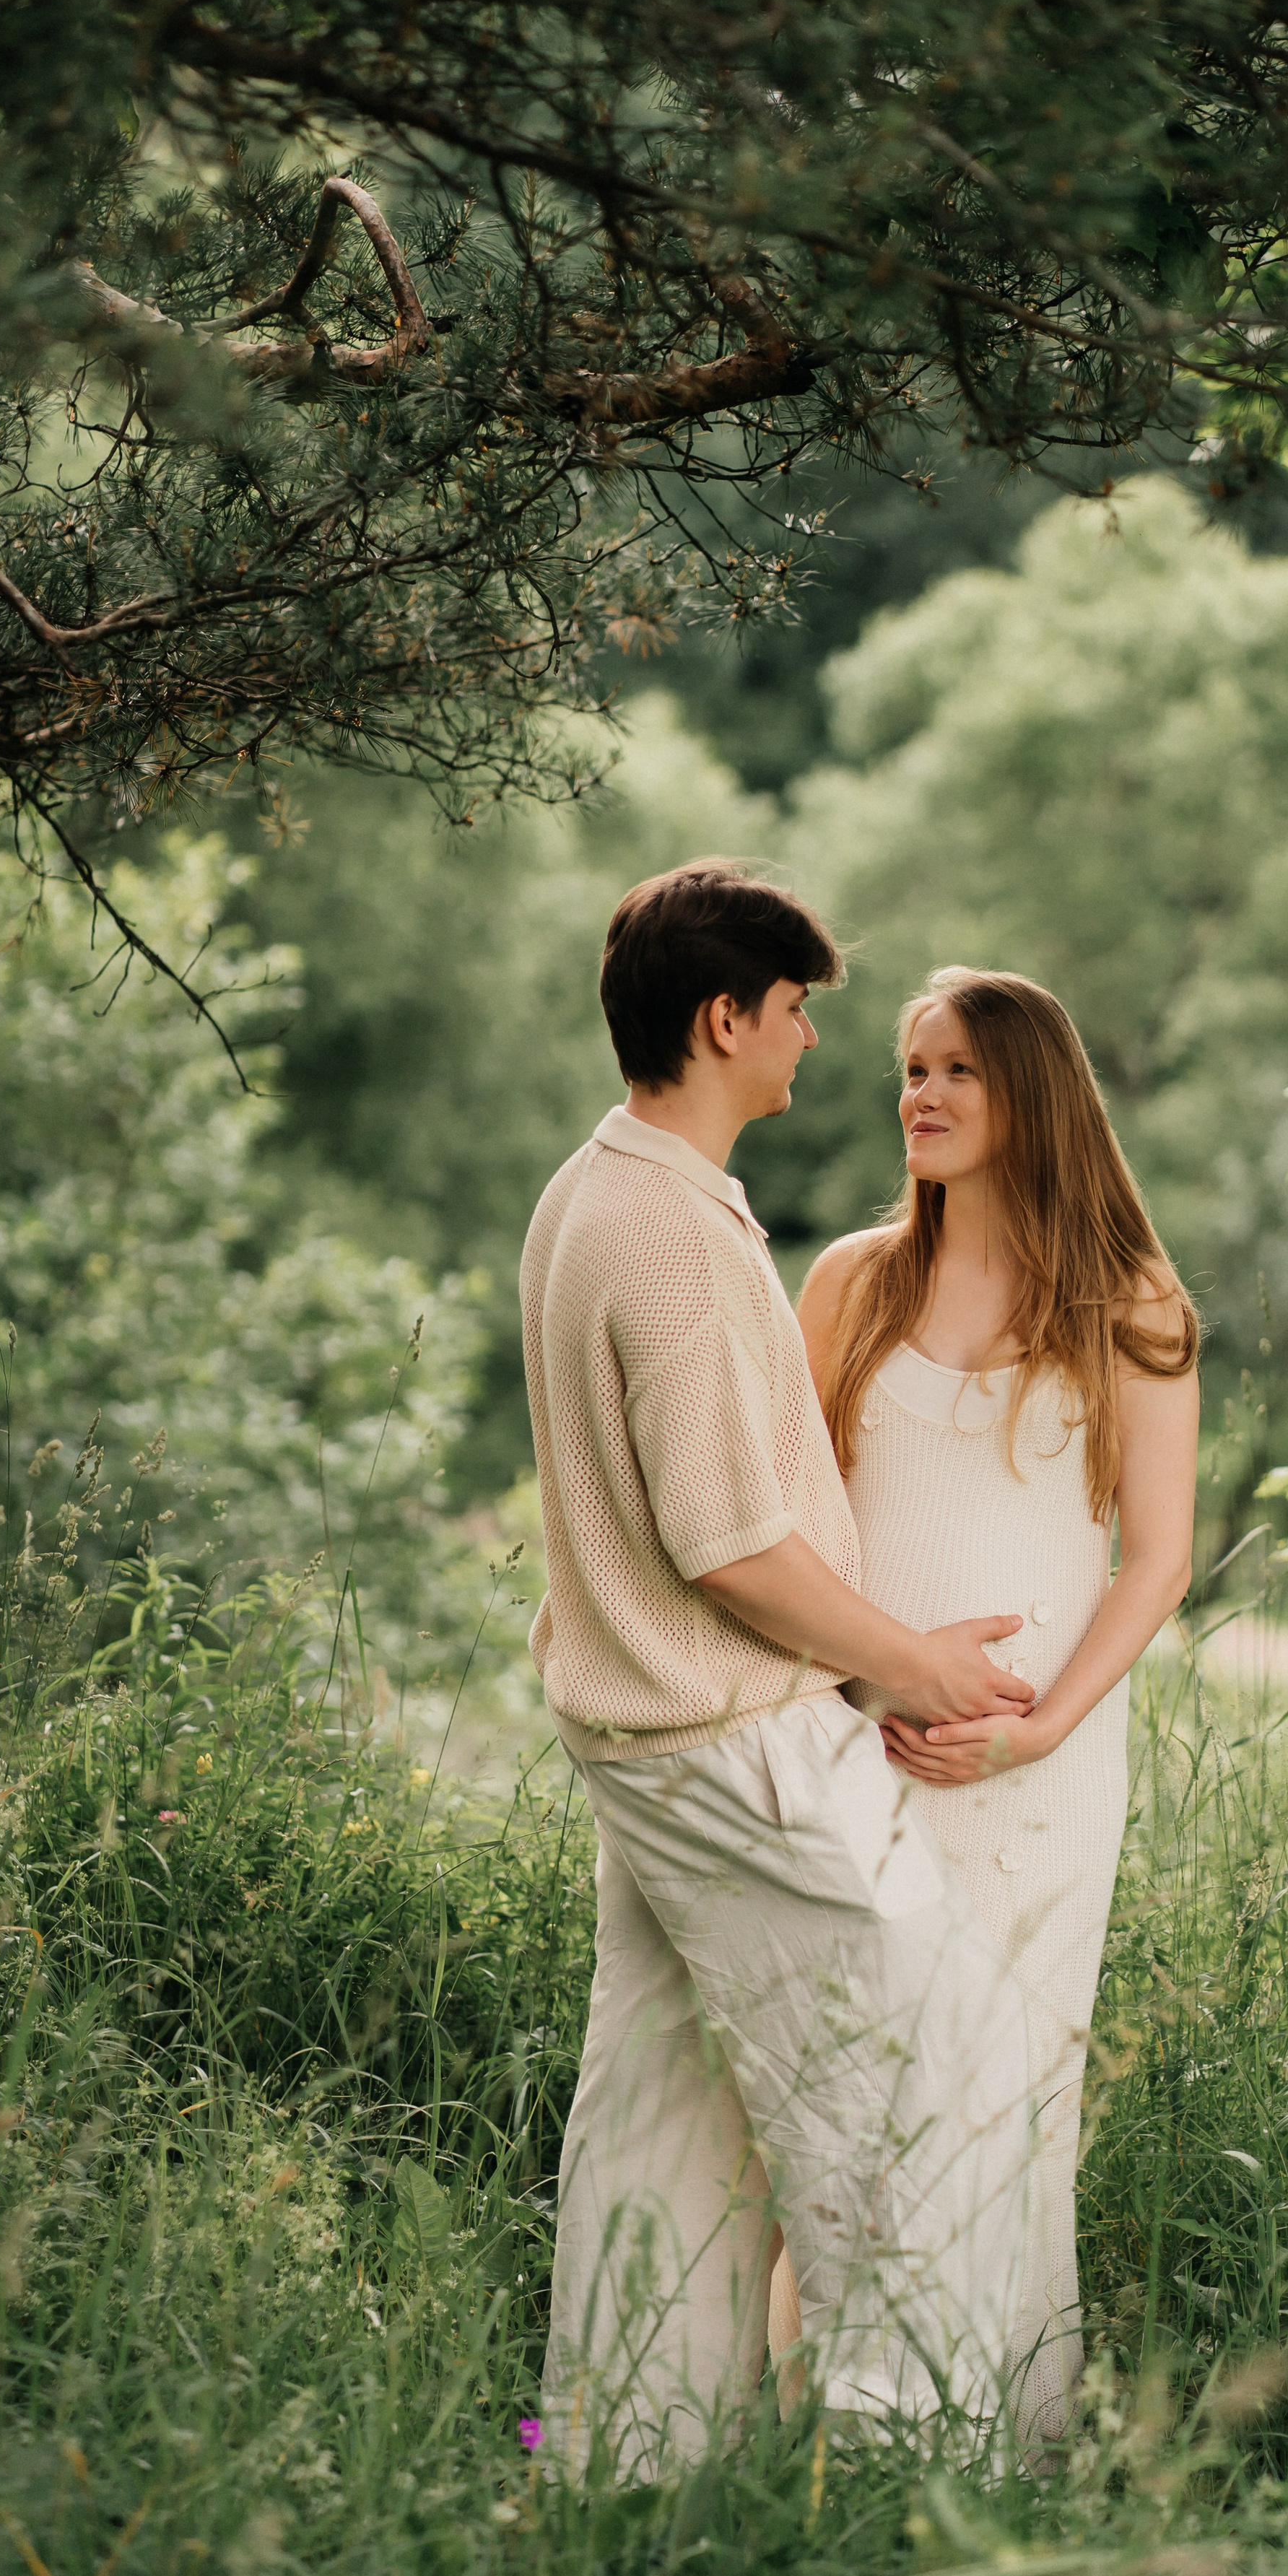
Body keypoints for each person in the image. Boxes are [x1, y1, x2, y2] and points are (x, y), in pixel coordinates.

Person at [524, 864, 1043, 2475]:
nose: (817, 1045)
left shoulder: (590, 1191)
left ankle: (626, 2471)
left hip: (647, 1743)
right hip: (729, 1745)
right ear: (722, 1018)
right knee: (913, 2081)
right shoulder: (667, 1234)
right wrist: (908, 1667)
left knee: (664, 2120)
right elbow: (727, 1547)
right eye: (800, 1010)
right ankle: (911, 2472)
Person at [787, 967, 1199, 2444]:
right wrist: (857, 1676)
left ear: (1029, 1092)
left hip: (1035, 1770)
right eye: (908, 1067)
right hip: (850, 1746)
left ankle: (990, 2446)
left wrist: (1037, 1727)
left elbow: (1152, 1559)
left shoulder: (1128, 1300)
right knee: (847, 2094)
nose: (919, 1093)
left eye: (955, 1068)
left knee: (1002, 2098)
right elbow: (794, 1522)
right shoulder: (847, 1281)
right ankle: (828, 2436)